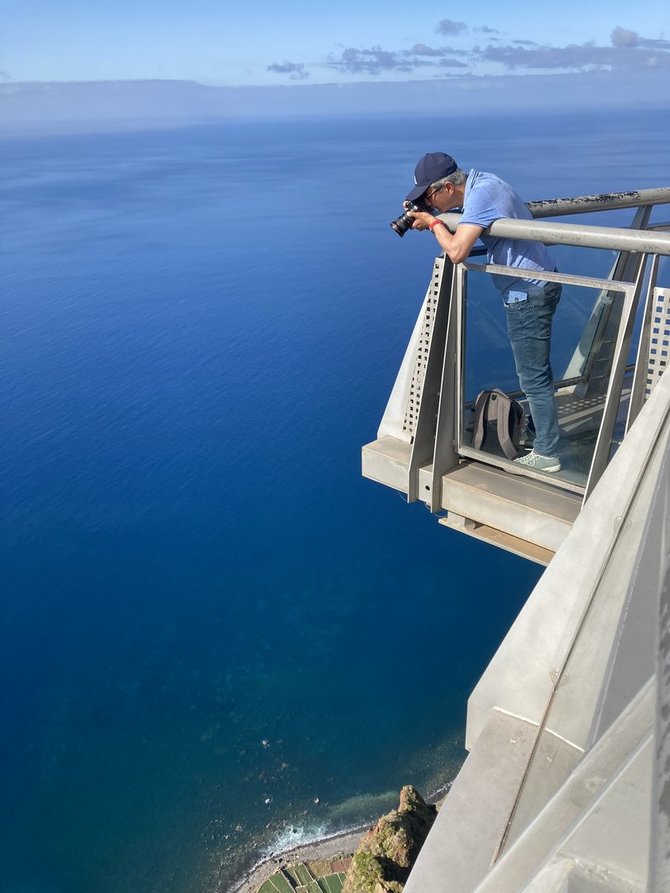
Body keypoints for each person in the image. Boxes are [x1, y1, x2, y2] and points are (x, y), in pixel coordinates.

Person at [405, 152, 562, 473]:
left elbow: (457, 252)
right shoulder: (486, 183)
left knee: (532, 377)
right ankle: (541, 434)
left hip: (527, 291)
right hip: (539, 282)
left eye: (429, 196)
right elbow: (474, 218)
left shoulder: (480, 196)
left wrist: (434, 223)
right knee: (536, 371)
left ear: (448, 187)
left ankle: (547, 454)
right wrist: (435, 217)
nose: (429, 203)